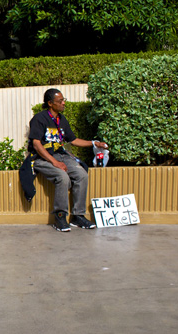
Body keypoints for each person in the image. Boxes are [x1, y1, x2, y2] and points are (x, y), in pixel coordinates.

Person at [28, 88, 108, 232]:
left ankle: (78, 216)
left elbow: (73, 140)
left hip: (61, 155)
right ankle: (60, 217)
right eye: (60, 101)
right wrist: (54, 162)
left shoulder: (61, 119)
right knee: (62, 177)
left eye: (64, 100)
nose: (64, 103)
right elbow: (36, 144)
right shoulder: (39, 119)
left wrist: (94, 143)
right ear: (50, 103)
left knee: (81, 174)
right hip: (42, 158)